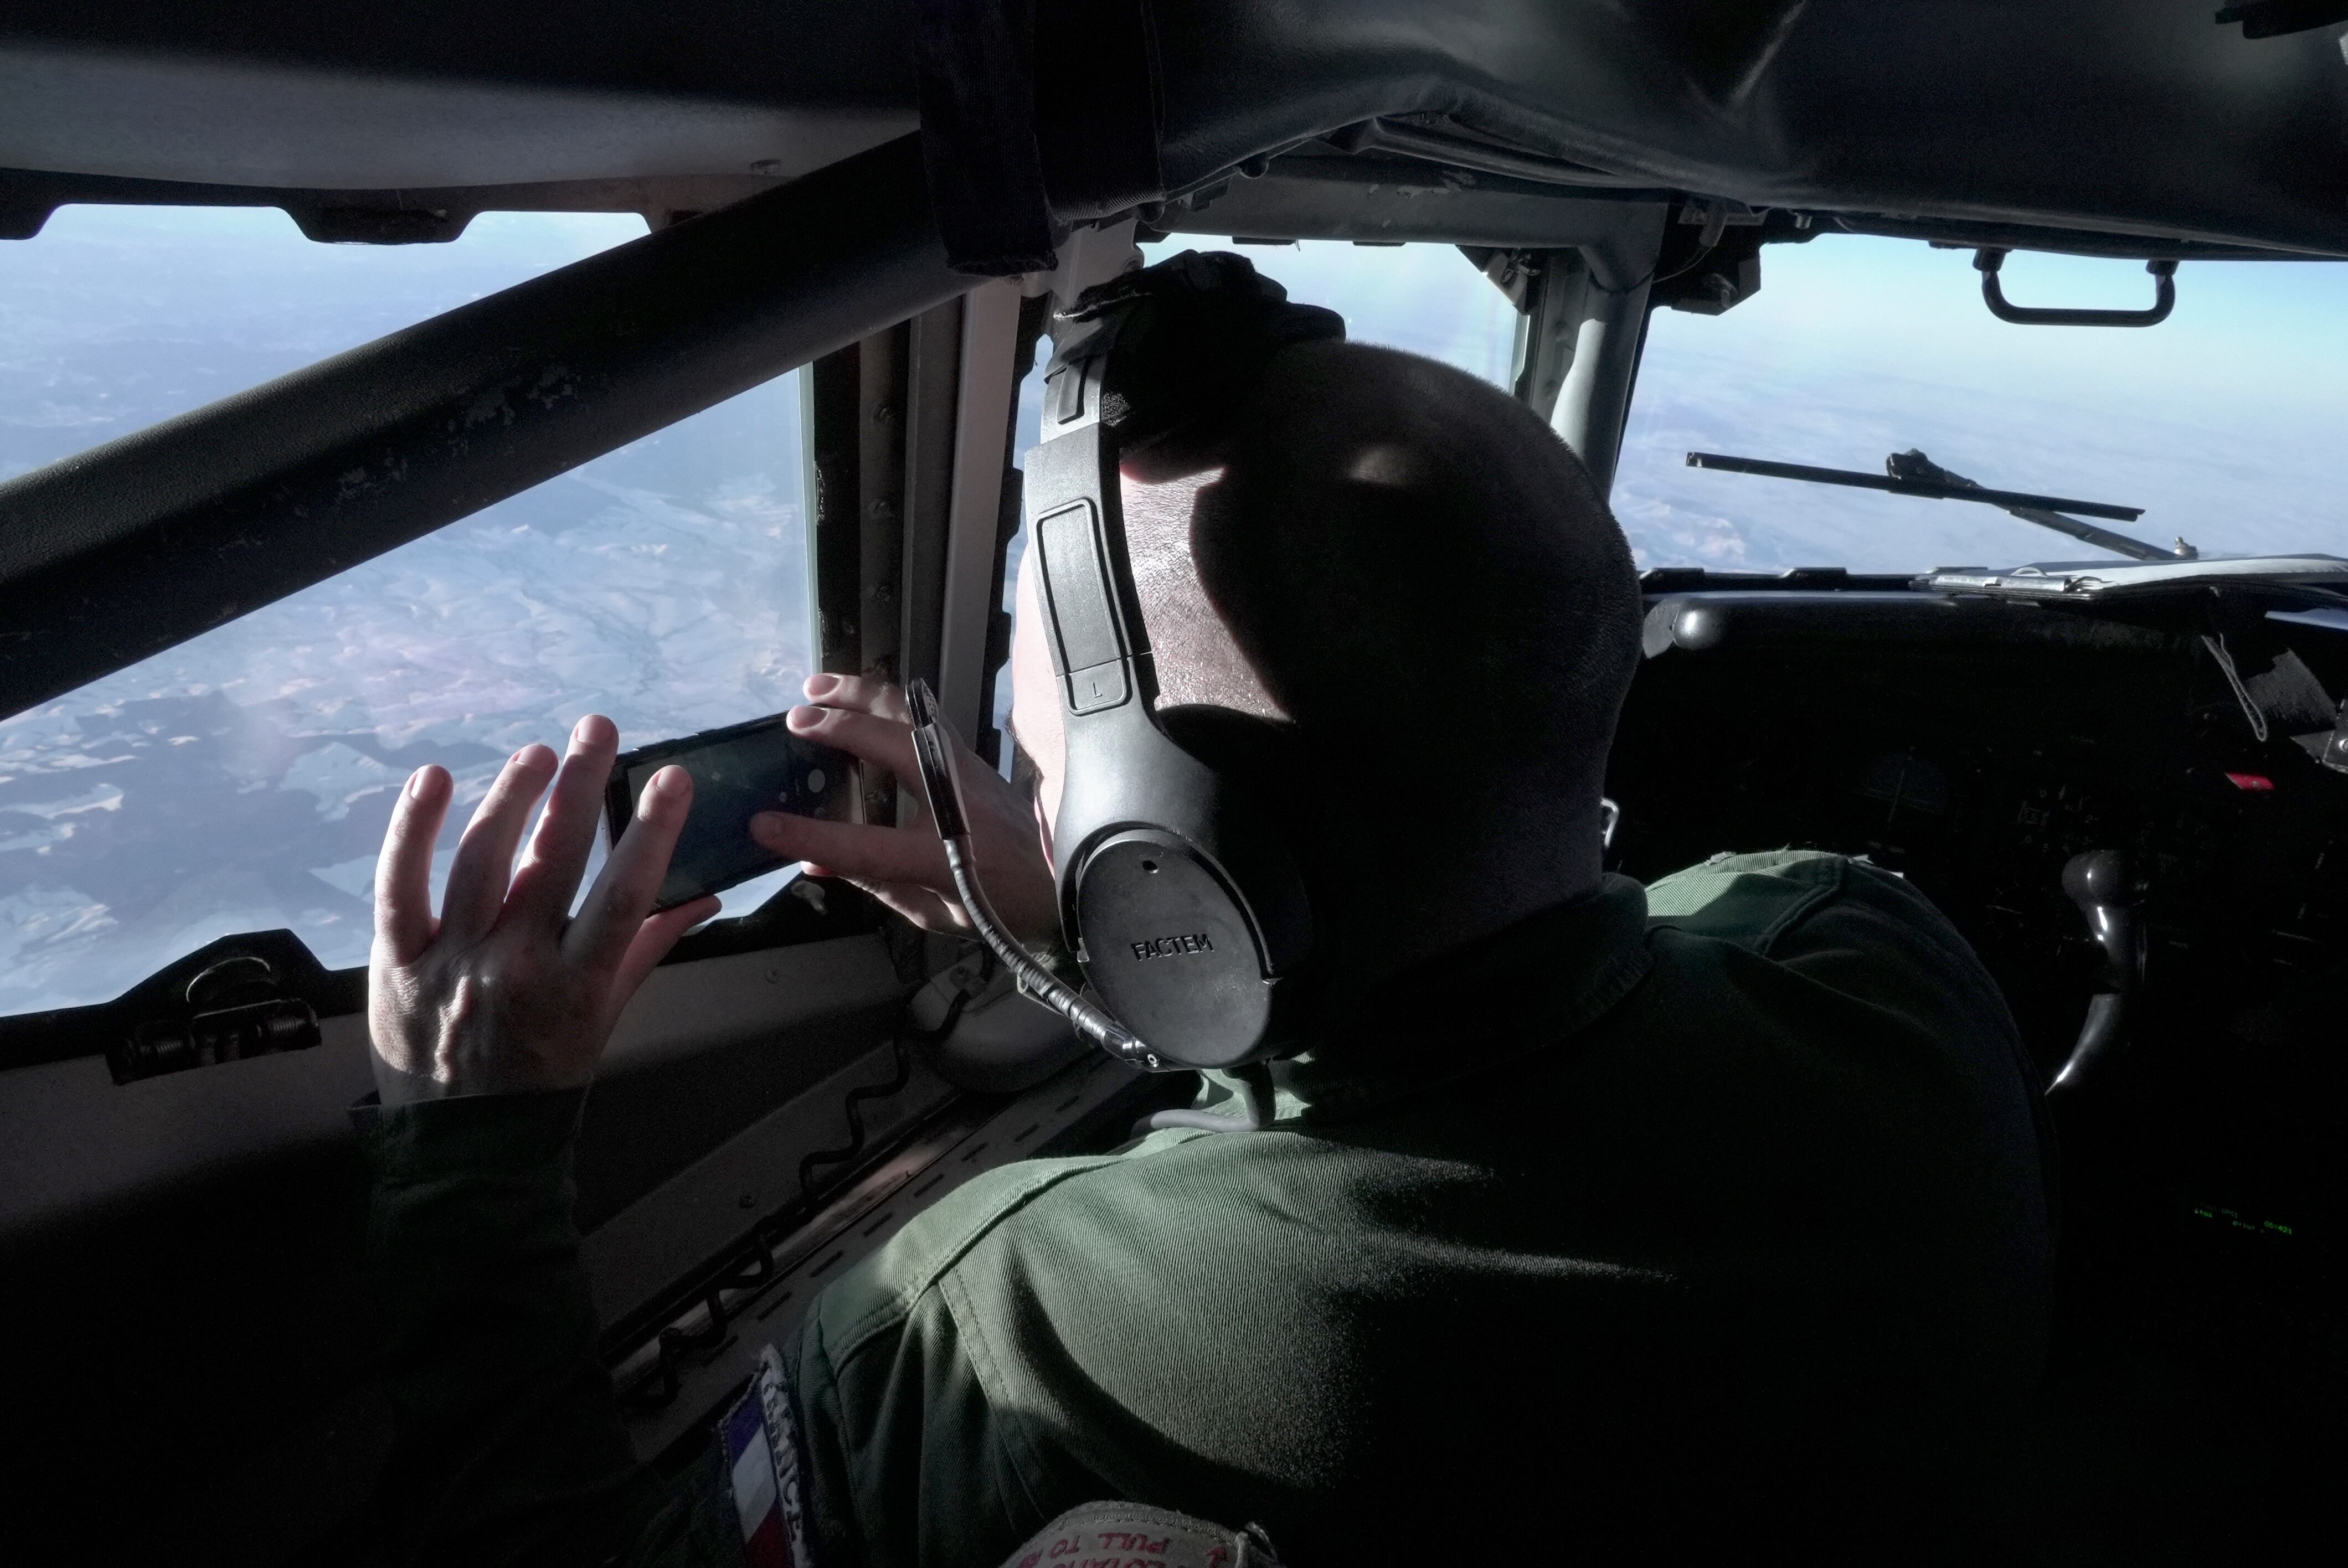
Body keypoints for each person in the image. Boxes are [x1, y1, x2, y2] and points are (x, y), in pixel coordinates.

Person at [358, 327, 2054, 1565]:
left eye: (1037, 698)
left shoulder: (1007, 1335)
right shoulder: (1877, 967)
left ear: (1164, 828)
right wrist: (1092, 934)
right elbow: (1503, 1007)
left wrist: (473, 1138)